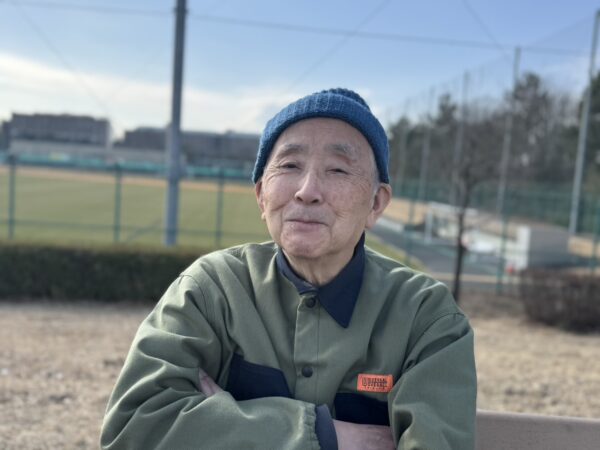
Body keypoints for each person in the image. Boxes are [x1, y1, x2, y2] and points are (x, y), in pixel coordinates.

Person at [100, 88, 477, 449]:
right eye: (290, 165)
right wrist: (330, 437)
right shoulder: (211, 290)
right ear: (261, 195)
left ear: (376, 203)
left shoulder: (426, 317)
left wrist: (225, 423)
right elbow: (134, 427)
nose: (307, 190)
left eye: (338, 170)